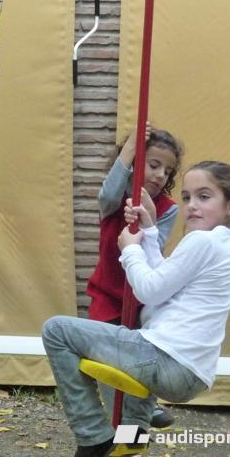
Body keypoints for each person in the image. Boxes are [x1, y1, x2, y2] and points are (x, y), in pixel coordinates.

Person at [43, 161, 230, 457]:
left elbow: (149, 290)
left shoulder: (202, 241)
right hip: (191, 372)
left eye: (204, 197)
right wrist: (150, 232)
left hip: (167, 358)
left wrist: (129, 249)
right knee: (137, 369)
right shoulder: (221, 244)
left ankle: (93, 436)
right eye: (187, 197)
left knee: (56, 331)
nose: (192, 205)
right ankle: (132, 438)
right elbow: (164, 284)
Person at [86, 124, 183, 433]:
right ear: (135, 163)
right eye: (153, 165)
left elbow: (153, 250)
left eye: (167, 171)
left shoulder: (167, 209)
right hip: (107, 297)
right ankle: (121, 426)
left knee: (142, 363)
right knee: (110, 369)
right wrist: (130, 147)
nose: (160, 175)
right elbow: (108, 192)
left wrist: (147, 220)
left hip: (142, 299)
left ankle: (140, 421)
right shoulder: (113, 201)